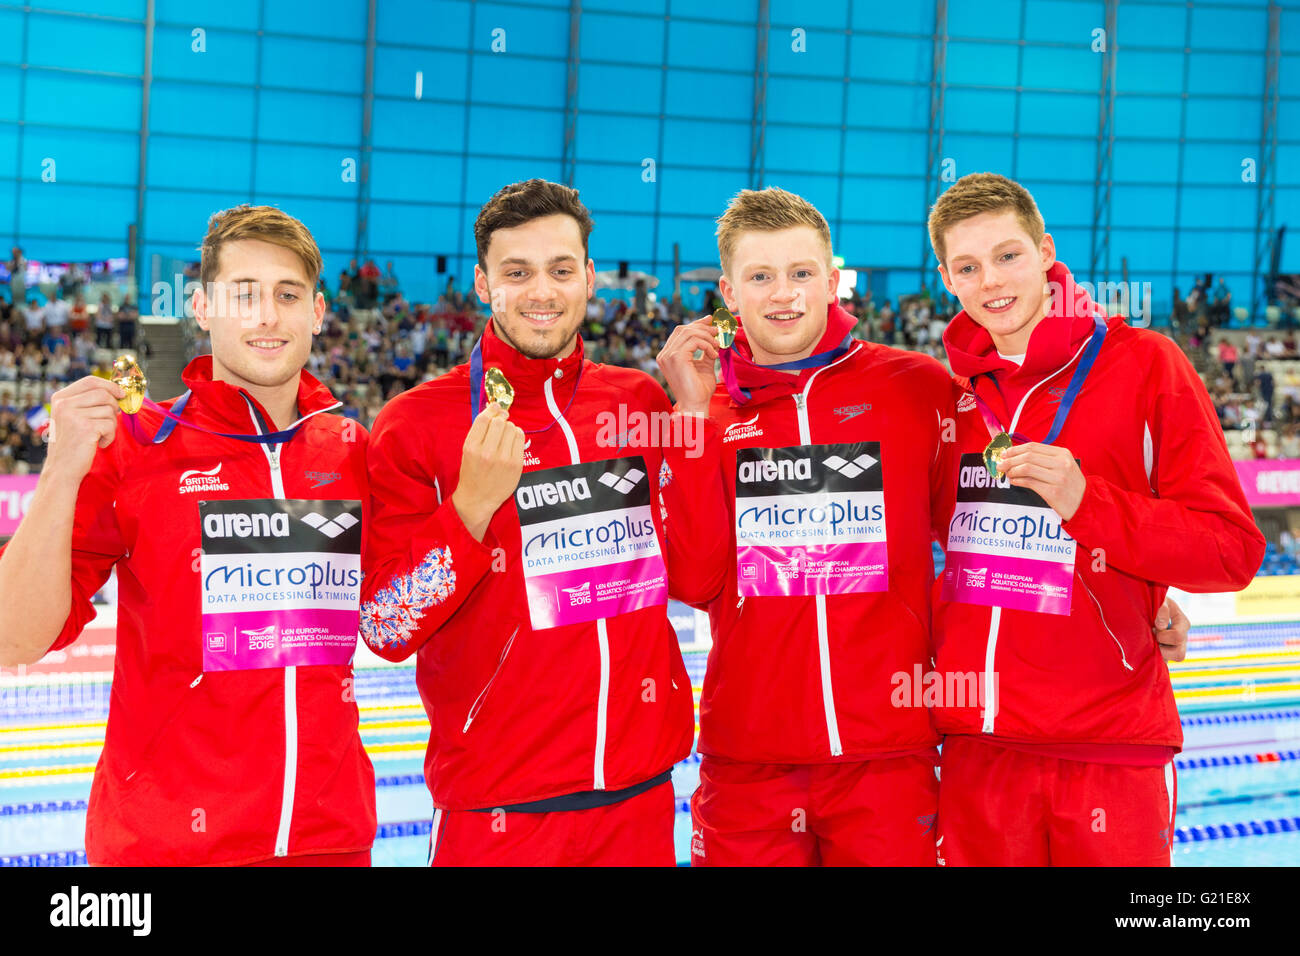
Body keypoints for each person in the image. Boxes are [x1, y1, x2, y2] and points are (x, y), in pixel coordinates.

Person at [359, 178, 728, 866]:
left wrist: (695, 425)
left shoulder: (639, 401)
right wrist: (468, 510)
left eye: (561, 270)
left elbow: (700, 574)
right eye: (517, 272)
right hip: (496, 812)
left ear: (589, 276)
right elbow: (385, 626)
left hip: (640, 797)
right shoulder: (417, 424)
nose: (542, 292)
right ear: (482, 283)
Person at [0, 205, 377, 866]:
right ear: (202, 306)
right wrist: (61, 472)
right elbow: (13, 639)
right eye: (244, 294)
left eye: (287, 295)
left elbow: (402, 618)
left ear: (317, 313)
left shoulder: (352, 452)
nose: (266, 316)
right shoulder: (137, 446)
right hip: (164, 848)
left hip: (329, 844)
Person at [928, 172, 1264, 866]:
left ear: (1046, 251)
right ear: (947, 279)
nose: (991, 279)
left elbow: (1231, 551)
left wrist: (1092, 506)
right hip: (974, 748)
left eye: (1008, 255)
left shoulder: (1146, 365)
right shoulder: (943, 396)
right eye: (968, 266)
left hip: (1108, 745)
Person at [672, 186, 966, 866]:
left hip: (888, 757)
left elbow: (981, 537)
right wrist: (688, 421)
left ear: (833, 280)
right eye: (760, 276)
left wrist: (1137, 599)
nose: (784, 295)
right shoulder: (704, 416)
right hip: (749, 764)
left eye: (802, 273)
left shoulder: (916, 388)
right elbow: (692, 578)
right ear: (727, 291)